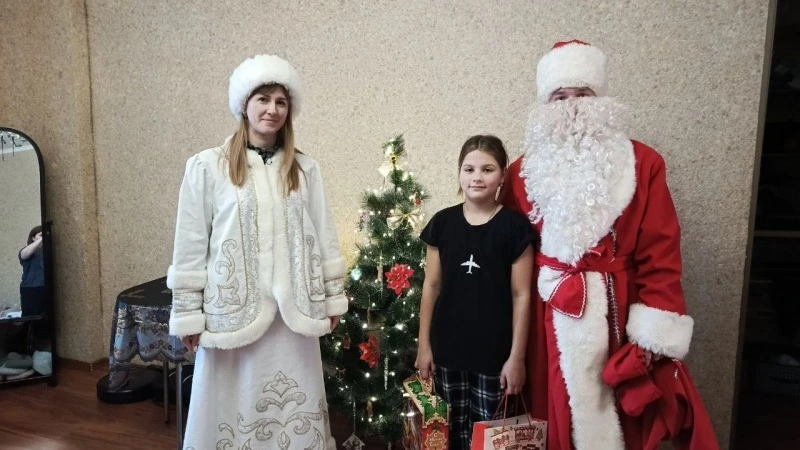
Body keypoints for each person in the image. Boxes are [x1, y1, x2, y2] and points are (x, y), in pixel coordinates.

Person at [504, 40, 718, 450]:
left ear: (601, 98)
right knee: (549, 414)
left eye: (583, 94)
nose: (572, 106)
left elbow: (661, 253)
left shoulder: (643, 163)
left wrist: (651, 335)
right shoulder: (521, 171)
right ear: (545, 104)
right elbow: (509, 256)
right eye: (560, 96)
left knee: (619, 415)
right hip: (546, 318)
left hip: (617, 313)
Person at [168, 54, 347, 450]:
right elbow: (190, 242)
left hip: (292, 316)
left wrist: (333, 297)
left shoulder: (305, 169)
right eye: (263, 99)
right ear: (244, 105)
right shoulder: (207, 167)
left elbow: (324, 234)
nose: (272, 109)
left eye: (281, 102)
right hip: (231, 313)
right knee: (234, 402)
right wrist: (188, 313)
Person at [415, 135, 534, 450]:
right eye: (469, 169)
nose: (477, 177)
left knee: (490, 439)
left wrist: (517, 358)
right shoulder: (442, 223)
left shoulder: (515, 228)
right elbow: (432, 285)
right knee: (449, 436)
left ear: (502, 175)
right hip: (447, 352)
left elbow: (522, 295)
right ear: (459, 173)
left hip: (495, 357)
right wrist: (424, 346)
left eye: (487, 169)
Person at [19, 226, 45, 317]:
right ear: (33, 237)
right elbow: (24, 255)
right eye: (41, 235)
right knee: (31, 318)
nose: (44, 237)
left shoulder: (48, 250)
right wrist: (41, 240)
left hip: (45, 288)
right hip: (31, 289)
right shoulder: (27, 250)